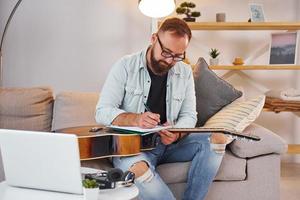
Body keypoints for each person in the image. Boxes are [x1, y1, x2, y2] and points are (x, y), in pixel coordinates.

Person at [95, 17, 230, 200]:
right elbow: (102, 111)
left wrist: (177, 133)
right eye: (166, 52)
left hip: (170, 146)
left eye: (177, 56)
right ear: (153, 39)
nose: (170, 61)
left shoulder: (184, 72)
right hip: (134, 148)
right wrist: (135, 119)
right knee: (140, 170)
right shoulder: (125, 66)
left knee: (218, 138)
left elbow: (189, 115)